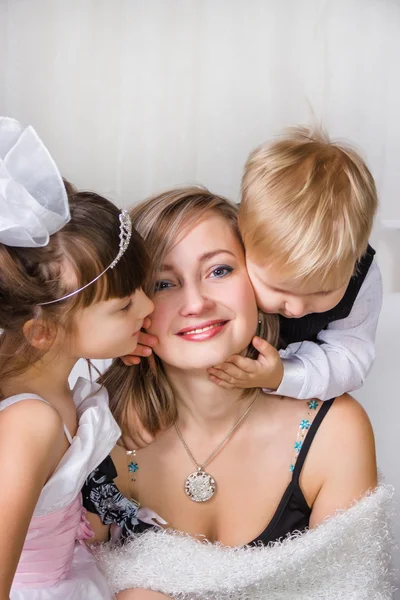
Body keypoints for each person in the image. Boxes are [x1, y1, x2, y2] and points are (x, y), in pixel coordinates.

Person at [83, 188, 392, 599]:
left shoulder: (333, 433)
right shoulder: (96, 431)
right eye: (163, 282)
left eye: (220, 271)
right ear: (132, 304)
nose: (196, 303)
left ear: (261, 280)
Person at [0, 117, 154, 599]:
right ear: (43, 331)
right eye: (125, 304)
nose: (149, 308)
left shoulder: (51, 381)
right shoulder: (30, 424)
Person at [208, 126, 382, 400]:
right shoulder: (223, 245)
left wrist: (284, 376)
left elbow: (351, 359)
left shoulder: (361, 273)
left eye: (323, 291)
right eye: (277, 289)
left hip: (303, 390)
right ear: (243, 238)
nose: (297, 308)